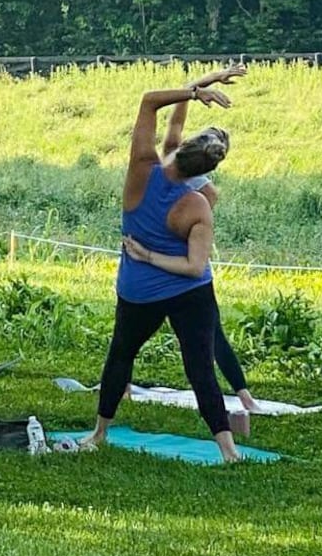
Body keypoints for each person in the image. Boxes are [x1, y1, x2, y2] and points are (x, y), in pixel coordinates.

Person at [78, 68, 247, 461]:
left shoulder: (141, 169)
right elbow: (193, 266)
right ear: (206, 169)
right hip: (191, 293)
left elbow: (152, 101)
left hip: (140, 291)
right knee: (200, 368)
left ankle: (99, 433)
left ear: (182, 149)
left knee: (121, 354)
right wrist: (204, 85)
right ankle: (227, 450)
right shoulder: (200, 203)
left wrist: (193, 91)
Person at [154, 90, 258, 425]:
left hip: (162, 261)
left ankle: (121, 390)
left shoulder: (172, 161)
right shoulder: (201, 184)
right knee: (211, 336)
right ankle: (243, 396)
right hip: (189, 267)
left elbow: (174, 123)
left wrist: (191, 90)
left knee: (131, 332)